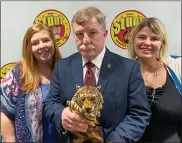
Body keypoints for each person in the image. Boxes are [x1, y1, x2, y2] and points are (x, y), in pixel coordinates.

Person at [43, 6, 151, 143]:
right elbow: (50, 104)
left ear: (105, 34)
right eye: (79, 34)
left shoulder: (129, 69)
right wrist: (61, 115)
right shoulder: (62, 67)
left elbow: (139, 114)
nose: (86, 40)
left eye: (92, 32)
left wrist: (117, 140)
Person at [1, 23, 62, 142]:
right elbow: (5, 113)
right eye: (35, 43)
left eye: (46, 40)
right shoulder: (18, 74)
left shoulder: (63, 70)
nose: (42, 46)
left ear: (53, 42)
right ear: (28, 47)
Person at [128, 17, 181, 142]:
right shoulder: (122, 72)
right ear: (133, 41)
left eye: (154, 39)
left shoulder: (177, 67)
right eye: (141, 37)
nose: (147, 43)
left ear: (162, 43)